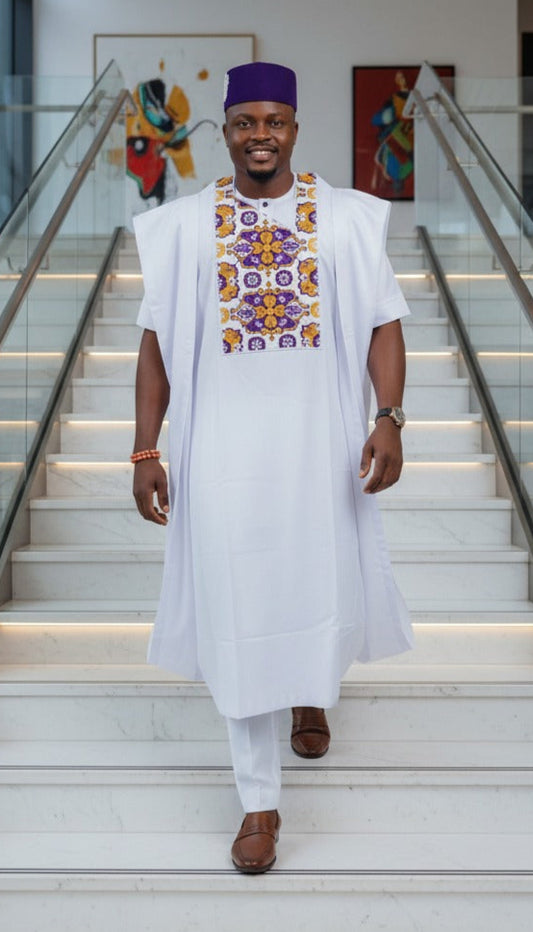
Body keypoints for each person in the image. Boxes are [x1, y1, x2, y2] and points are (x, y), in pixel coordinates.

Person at [131, 61, 413, 875]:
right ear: (226, 129)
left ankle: (310, 690)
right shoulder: (183, 227)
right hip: (218, 452)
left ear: (295, 126)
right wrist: (147, 446)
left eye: (275, 122)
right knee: (239, 606)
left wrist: (386, 418)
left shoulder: (347, 218)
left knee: (317, 583)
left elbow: (383, 324)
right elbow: (154, 349)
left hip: (319, 445)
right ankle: (259, 800)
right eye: (246, 123)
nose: (262, 136)